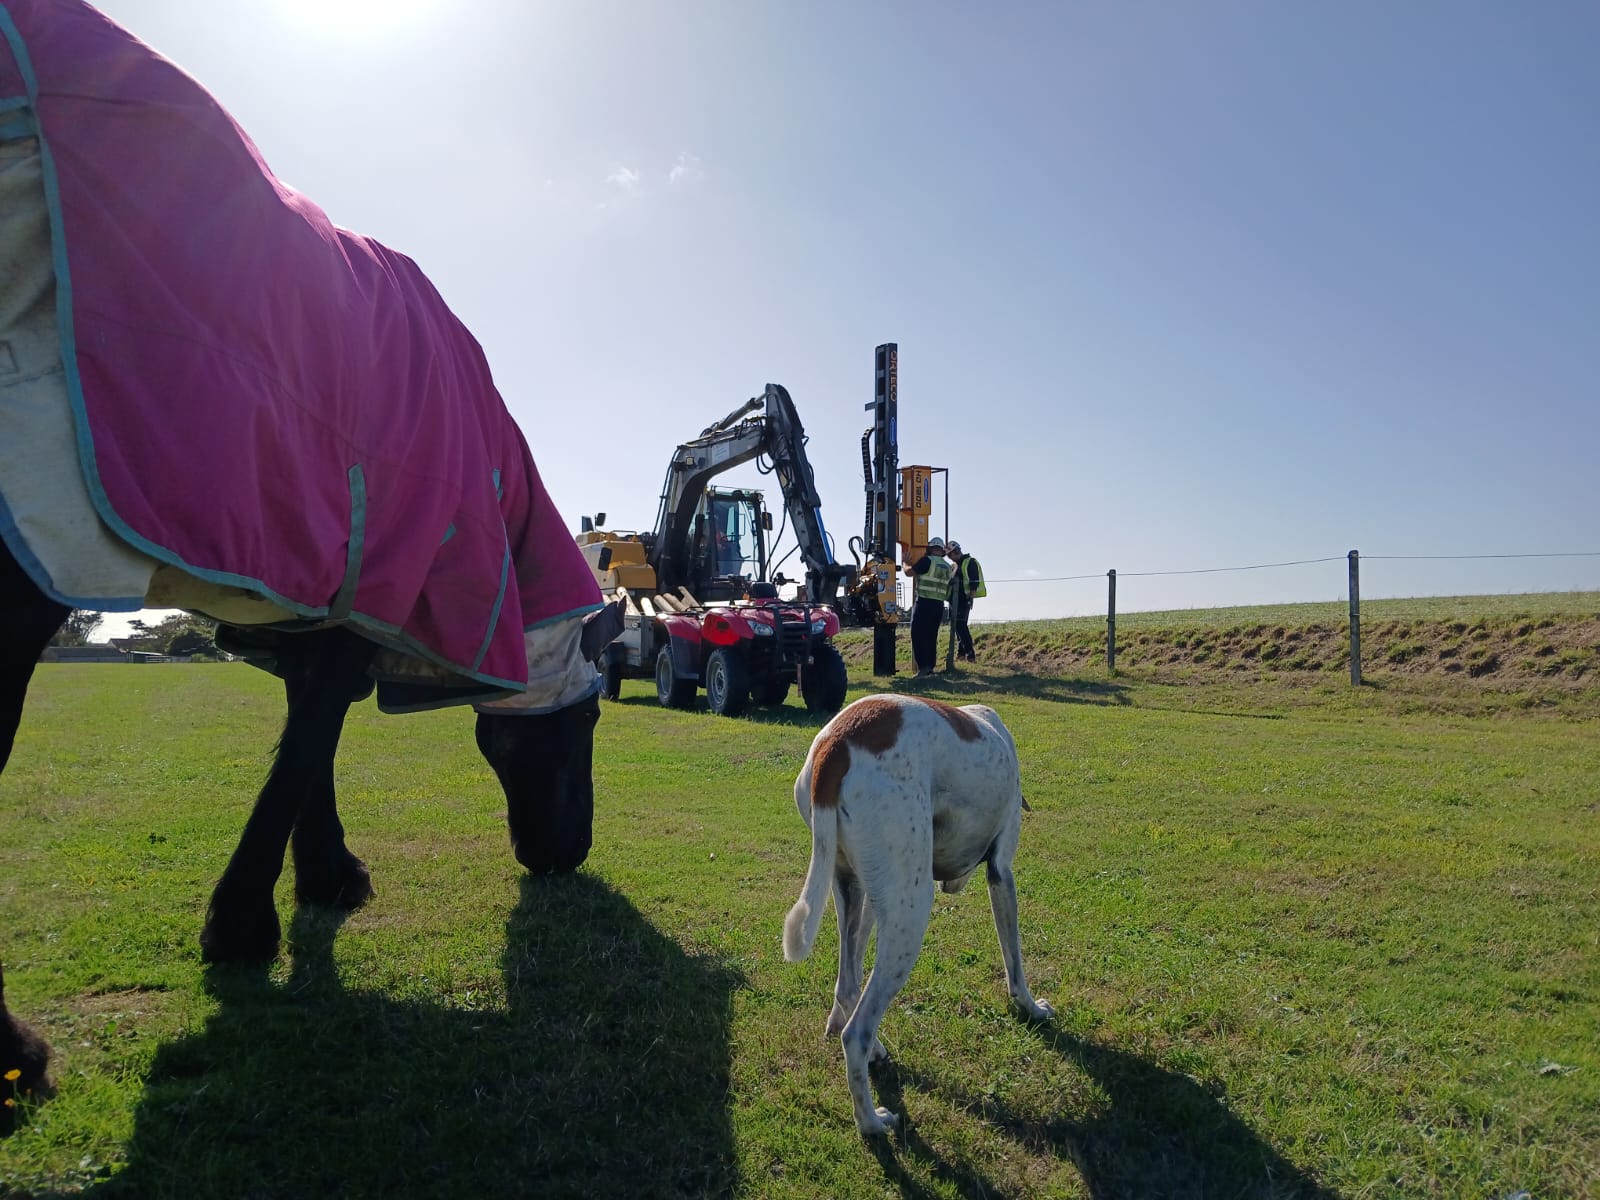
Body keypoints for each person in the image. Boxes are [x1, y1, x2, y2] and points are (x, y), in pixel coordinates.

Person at [907, 535, 953, 677]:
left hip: (924, 602)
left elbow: (909, 572)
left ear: (930, 548)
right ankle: (930, 668)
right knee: (931, 636)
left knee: (918, 635)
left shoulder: (927, 561)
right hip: (939, 605)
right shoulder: (947, 566)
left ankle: (923, 669)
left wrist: (905, 562)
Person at [946, 541, 984, 662]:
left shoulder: (969, 562)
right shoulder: (954, 566)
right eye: (951, 554)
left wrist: (970, 599)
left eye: (955, 552)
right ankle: (961, 654)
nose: (953, 555)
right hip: (953, 600)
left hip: (963, 600)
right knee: (957, 626)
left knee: (960, 625)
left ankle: (970, 654)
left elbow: (974, 581)